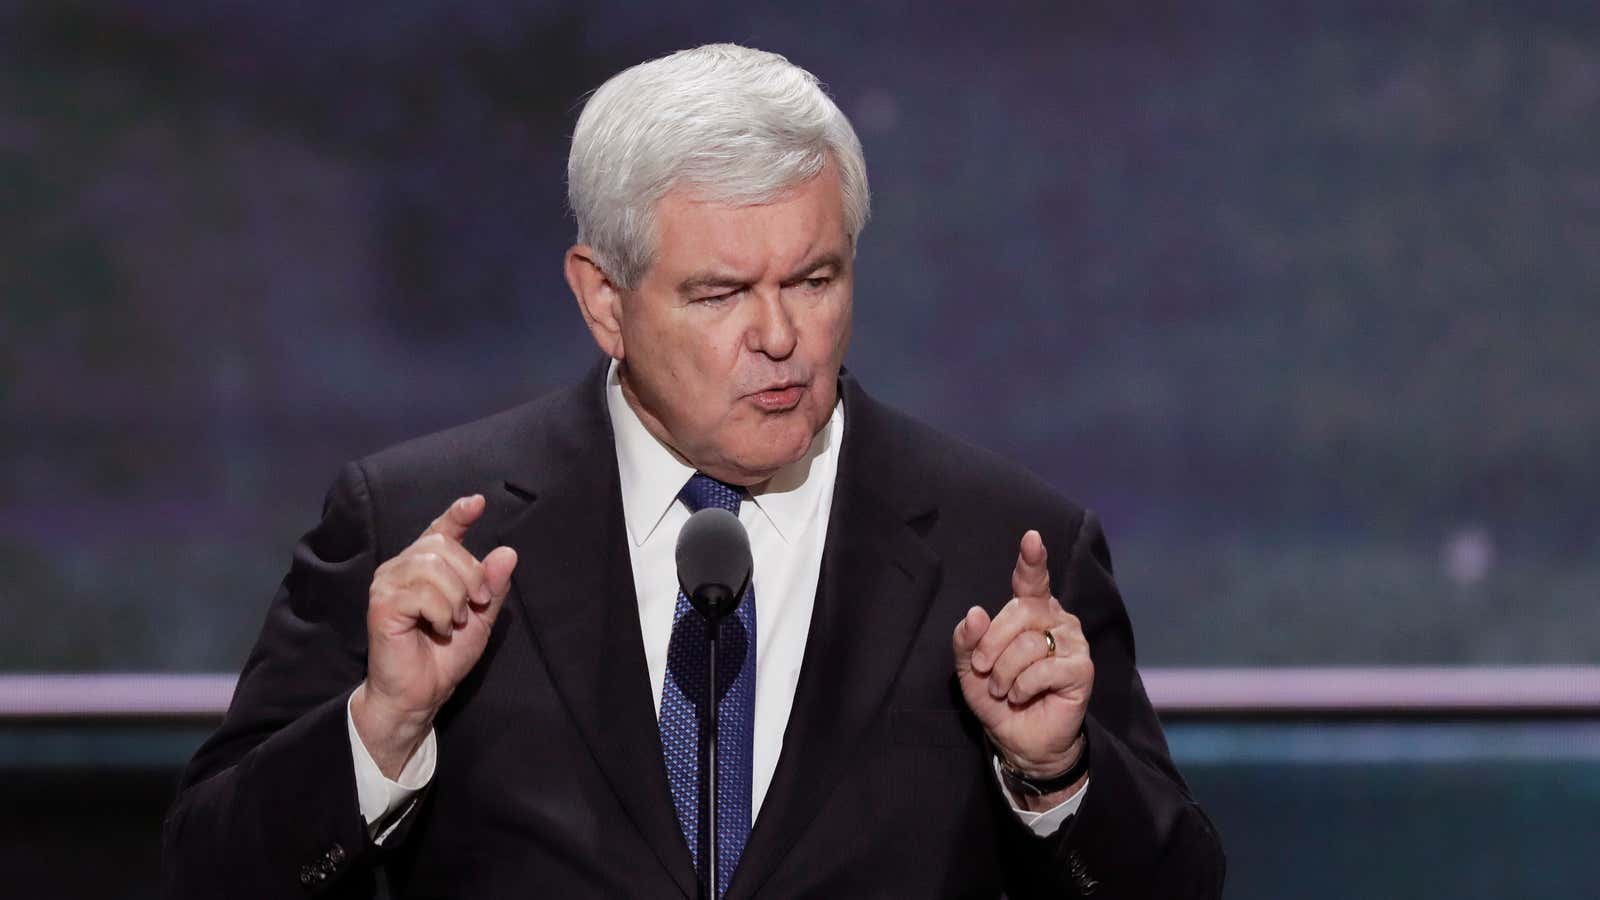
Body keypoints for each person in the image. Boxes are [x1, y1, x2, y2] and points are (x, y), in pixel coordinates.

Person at [163, 43, 1224, 899]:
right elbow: (208, 872)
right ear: (603, 300)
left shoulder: (1003, 550)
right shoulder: (417, 527)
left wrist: (1056, 777)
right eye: (718, 295)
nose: (779, 336)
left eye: (813, 278)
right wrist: (379, 728)